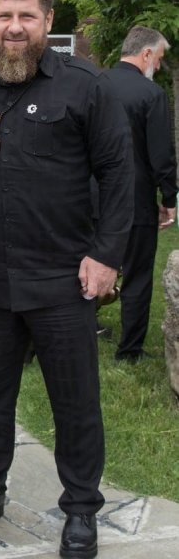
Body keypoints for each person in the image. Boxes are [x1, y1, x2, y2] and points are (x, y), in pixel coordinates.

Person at [0, 0, 133, 559]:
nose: (14, 27)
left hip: (65, 280)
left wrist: (106, 254)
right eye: (4, 16)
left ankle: (81, 508)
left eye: (27, 16)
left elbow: (119, 173)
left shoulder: (86, 87)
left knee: (75, 402)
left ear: (48, 21)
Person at [104, 26, 178, 362]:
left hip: (89, 198)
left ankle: (78, 331)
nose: (158, 66)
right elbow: (161, 155)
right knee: (136, 275)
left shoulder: (94, 85)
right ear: (146, 53)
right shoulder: (151, 95)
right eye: (159, 58)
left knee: (82, 265)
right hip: (135, 200)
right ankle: (129, 350)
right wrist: (169, 199)